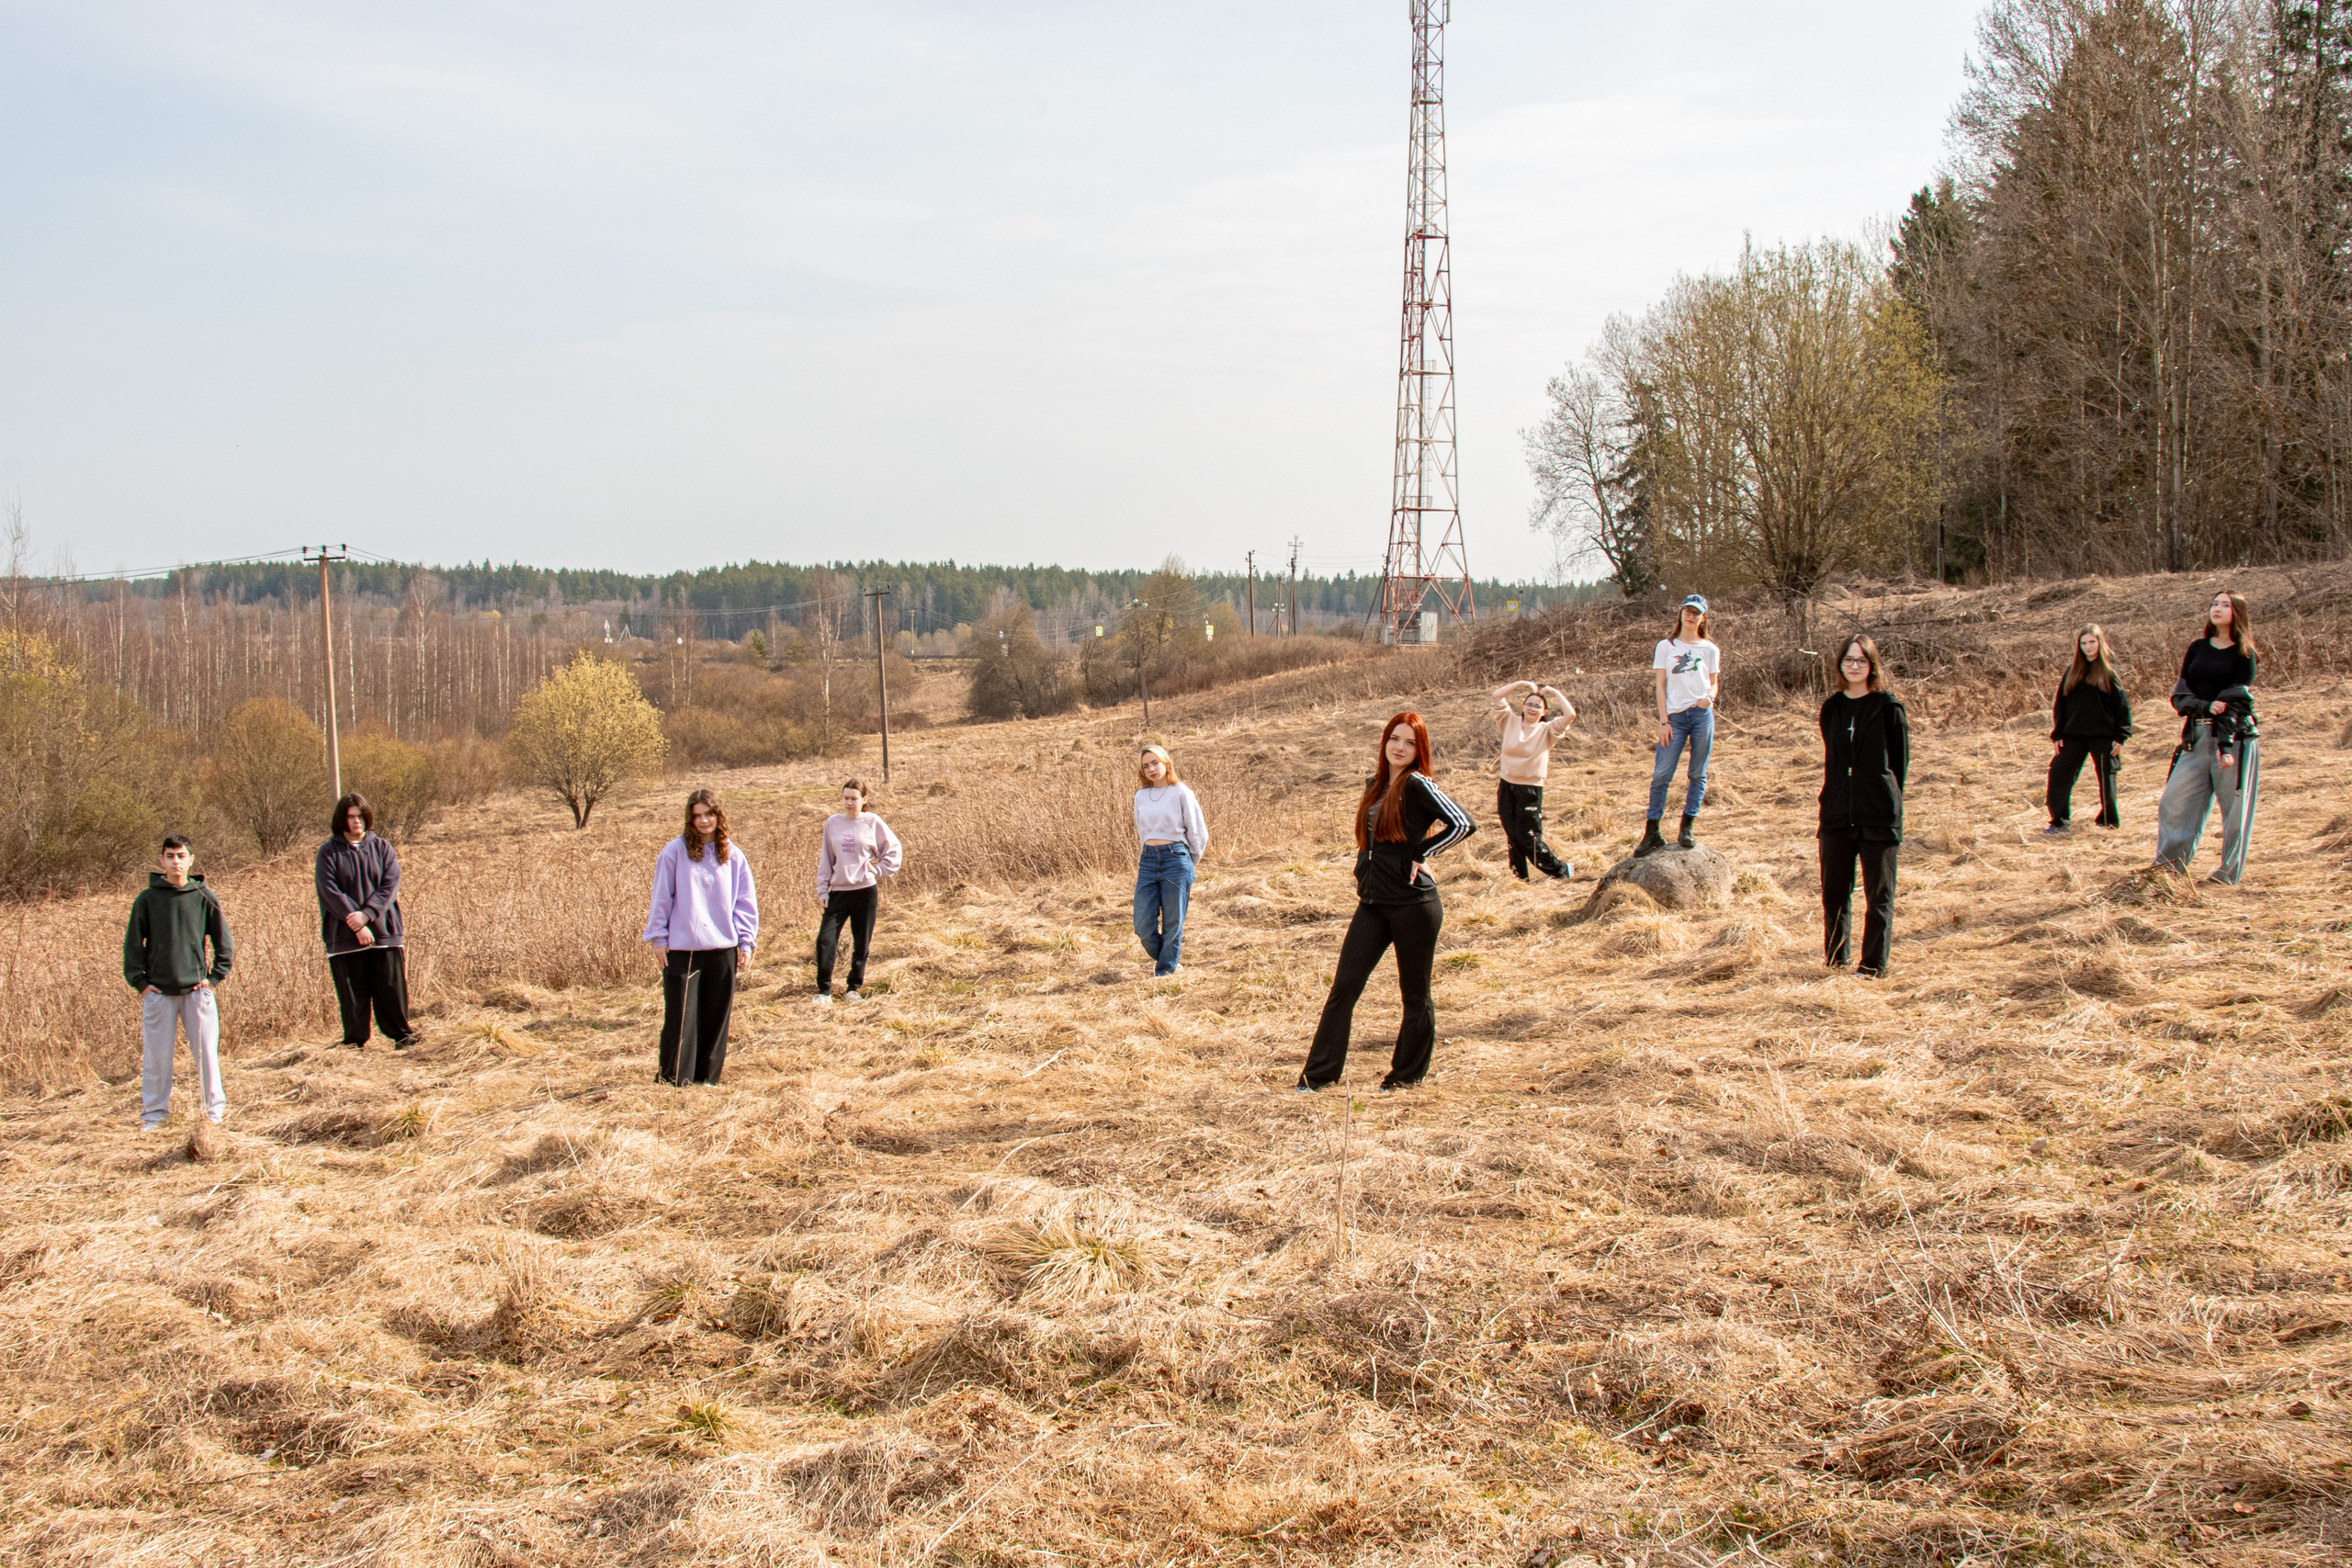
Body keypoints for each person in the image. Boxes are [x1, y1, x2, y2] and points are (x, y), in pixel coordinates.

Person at [1298, 712, 1476, 1093]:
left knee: (1414, 994)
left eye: (1410, 742)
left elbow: (1463, 823)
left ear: (1419, 749)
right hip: (1373, 904)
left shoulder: (1418, 784)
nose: (1400, 747)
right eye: (1395, 739)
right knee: (1344, 987)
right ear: (1385, 741)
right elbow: (1373, 840)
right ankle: (1317, 1078)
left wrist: (1422, 853)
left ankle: (1405, 1078)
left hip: (1414, 905)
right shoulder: (1375, 785)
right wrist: (1364, 868)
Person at [644, 789, 759, 1082]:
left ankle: (707, 1078)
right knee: (681, 1019)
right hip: (684, 950)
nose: (704, 820)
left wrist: (746, 941)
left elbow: (744, 902)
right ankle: (674, 1079)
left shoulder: (733, 855)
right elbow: (661, 897)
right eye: (697, 815)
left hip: (722, 949)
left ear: (719, 816)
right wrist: (658, 936)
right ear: (690, 819)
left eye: (709, 814)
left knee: (715, 1018)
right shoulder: (674, 852)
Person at [123, 834, 233, 1129]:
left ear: (191, 860)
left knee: (207, 1056)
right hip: (159, 994)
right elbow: (133, 947)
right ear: (162, 860)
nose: (176, 862)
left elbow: (225, 945)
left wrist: (213, 980)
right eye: (170, 856)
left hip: (197, 992)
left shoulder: (204, 897)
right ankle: (154, 1116)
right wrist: (142, 984)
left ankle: (213, 1114)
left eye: (181, 856)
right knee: (157, 1060)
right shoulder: (147, 900)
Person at [2154, 590, 2260, 886]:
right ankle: (2168, 871)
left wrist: (2225, 745)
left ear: (2236, 613)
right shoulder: (2197, 648)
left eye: (2225, 605)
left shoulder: (2245, 653)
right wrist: (2203, 706)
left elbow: (2237, 700)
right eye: (2214, 604)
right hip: (2196, 737)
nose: (2217, 609)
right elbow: (2180, 694)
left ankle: (2227, 876)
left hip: (2234, 738)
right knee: (2173, 801)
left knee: (2235, 811)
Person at [1818, 635, 1910, 979]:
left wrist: (1885, 799)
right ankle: (1836, 960)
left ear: (1872, 665)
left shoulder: (1888, 708)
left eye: (1861, 661)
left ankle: (1872, 966)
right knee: (1834, 894)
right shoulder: (1832, 708)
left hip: (1879, 816)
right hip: (1837, 814)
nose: (1854, 666)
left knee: (1879, 896)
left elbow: (1899, 765)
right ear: (1840, 664)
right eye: (1848, 660)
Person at [316, 794, 415, 1049]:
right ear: (341, 820)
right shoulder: (328, 852)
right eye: (350, 817)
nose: (356, 821)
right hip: (345, 937)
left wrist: (367, 915)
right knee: (353, 995)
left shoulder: (382, 848)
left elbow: (389, 886)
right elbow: (330, 891)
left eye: (360, 816)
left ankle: (402, 1037)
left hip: (384, 932)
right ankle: (354, 1043)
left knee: (391, 989)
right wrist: (357, 925)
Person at [1637, 594, 1722, 856]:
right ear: (1681, 614)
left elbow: (1714, 682)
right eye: (1687, 611)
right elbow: (1660, 686)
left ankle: (1687, 826)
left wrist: (1709, 698)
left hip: (1700, 716)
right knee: (1662, 774)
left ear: (1702, 618)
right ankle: (1652, 832)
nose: (1691, 616)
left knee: (1698, 772)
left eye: (1696, 613)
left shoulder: (1709, 649)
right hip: (1674, 717)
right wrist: (1663, 721)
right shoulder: (1666, 646)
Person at [814, 778, 901, 1003]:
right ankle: (824, 991)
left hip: (865, 891)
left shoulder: (872, 822)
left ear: (864, 800)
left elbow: (893, 849)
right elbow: (826, 858)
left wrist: (879, 870)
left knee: (861, 942)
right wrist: (823, 889)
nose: (849, 803)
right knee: (825, 940)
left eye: (854, 798)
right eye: (845, 798)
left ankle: (853, 988)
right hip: (839, 892)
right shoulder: (832, 823)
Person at [2044, 624, 2132, 834]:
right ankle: (2059, 822)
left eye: (2092, 642)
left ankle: (2108, 823)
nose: (2088, 647)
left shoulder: (2109, 672)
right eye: (2083, 643)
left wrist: (2121, 735)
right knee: (2058, 774)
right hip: (2073, 735)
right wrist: (2057, 734)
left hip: (2103, 736)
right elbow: (2061, 704)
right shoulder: (2072, 671)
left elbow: (2121, 706)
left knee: (2106, 780)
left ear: (2100, 642)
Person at [1132, 745, 1208, 976]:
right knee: (1142, 925)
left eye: (1155, 763)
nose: (1151, 769)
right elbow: (1141, 829)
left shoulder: (1181, 792)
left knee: (1173, 922)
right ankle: (1170, 958)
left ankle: (1165, 972)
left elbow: (1198, 832)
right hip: (1148, 860)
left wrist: (1187, 862)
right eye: (1146, 766)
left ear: (1166, 763)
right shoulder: (1141, 796)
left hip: (1177, 858)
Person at [1490, 680, 1576, 881]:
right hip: (1506, 785)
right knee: (1512, 836)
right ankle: (1519, 877)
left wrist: (1553, 691)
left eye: (1538, 706)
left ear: (1544, 711)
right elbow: (1496, 696)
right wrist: (1521, 684)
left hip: (1530, 789)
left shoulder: (1548, 730)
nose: (1532, 708)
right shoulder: (1509, 721)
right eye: (1529, 704)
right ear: (1523, 706)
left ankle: (1561, 871)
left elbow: (1570, 715)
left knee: (1528, 837)